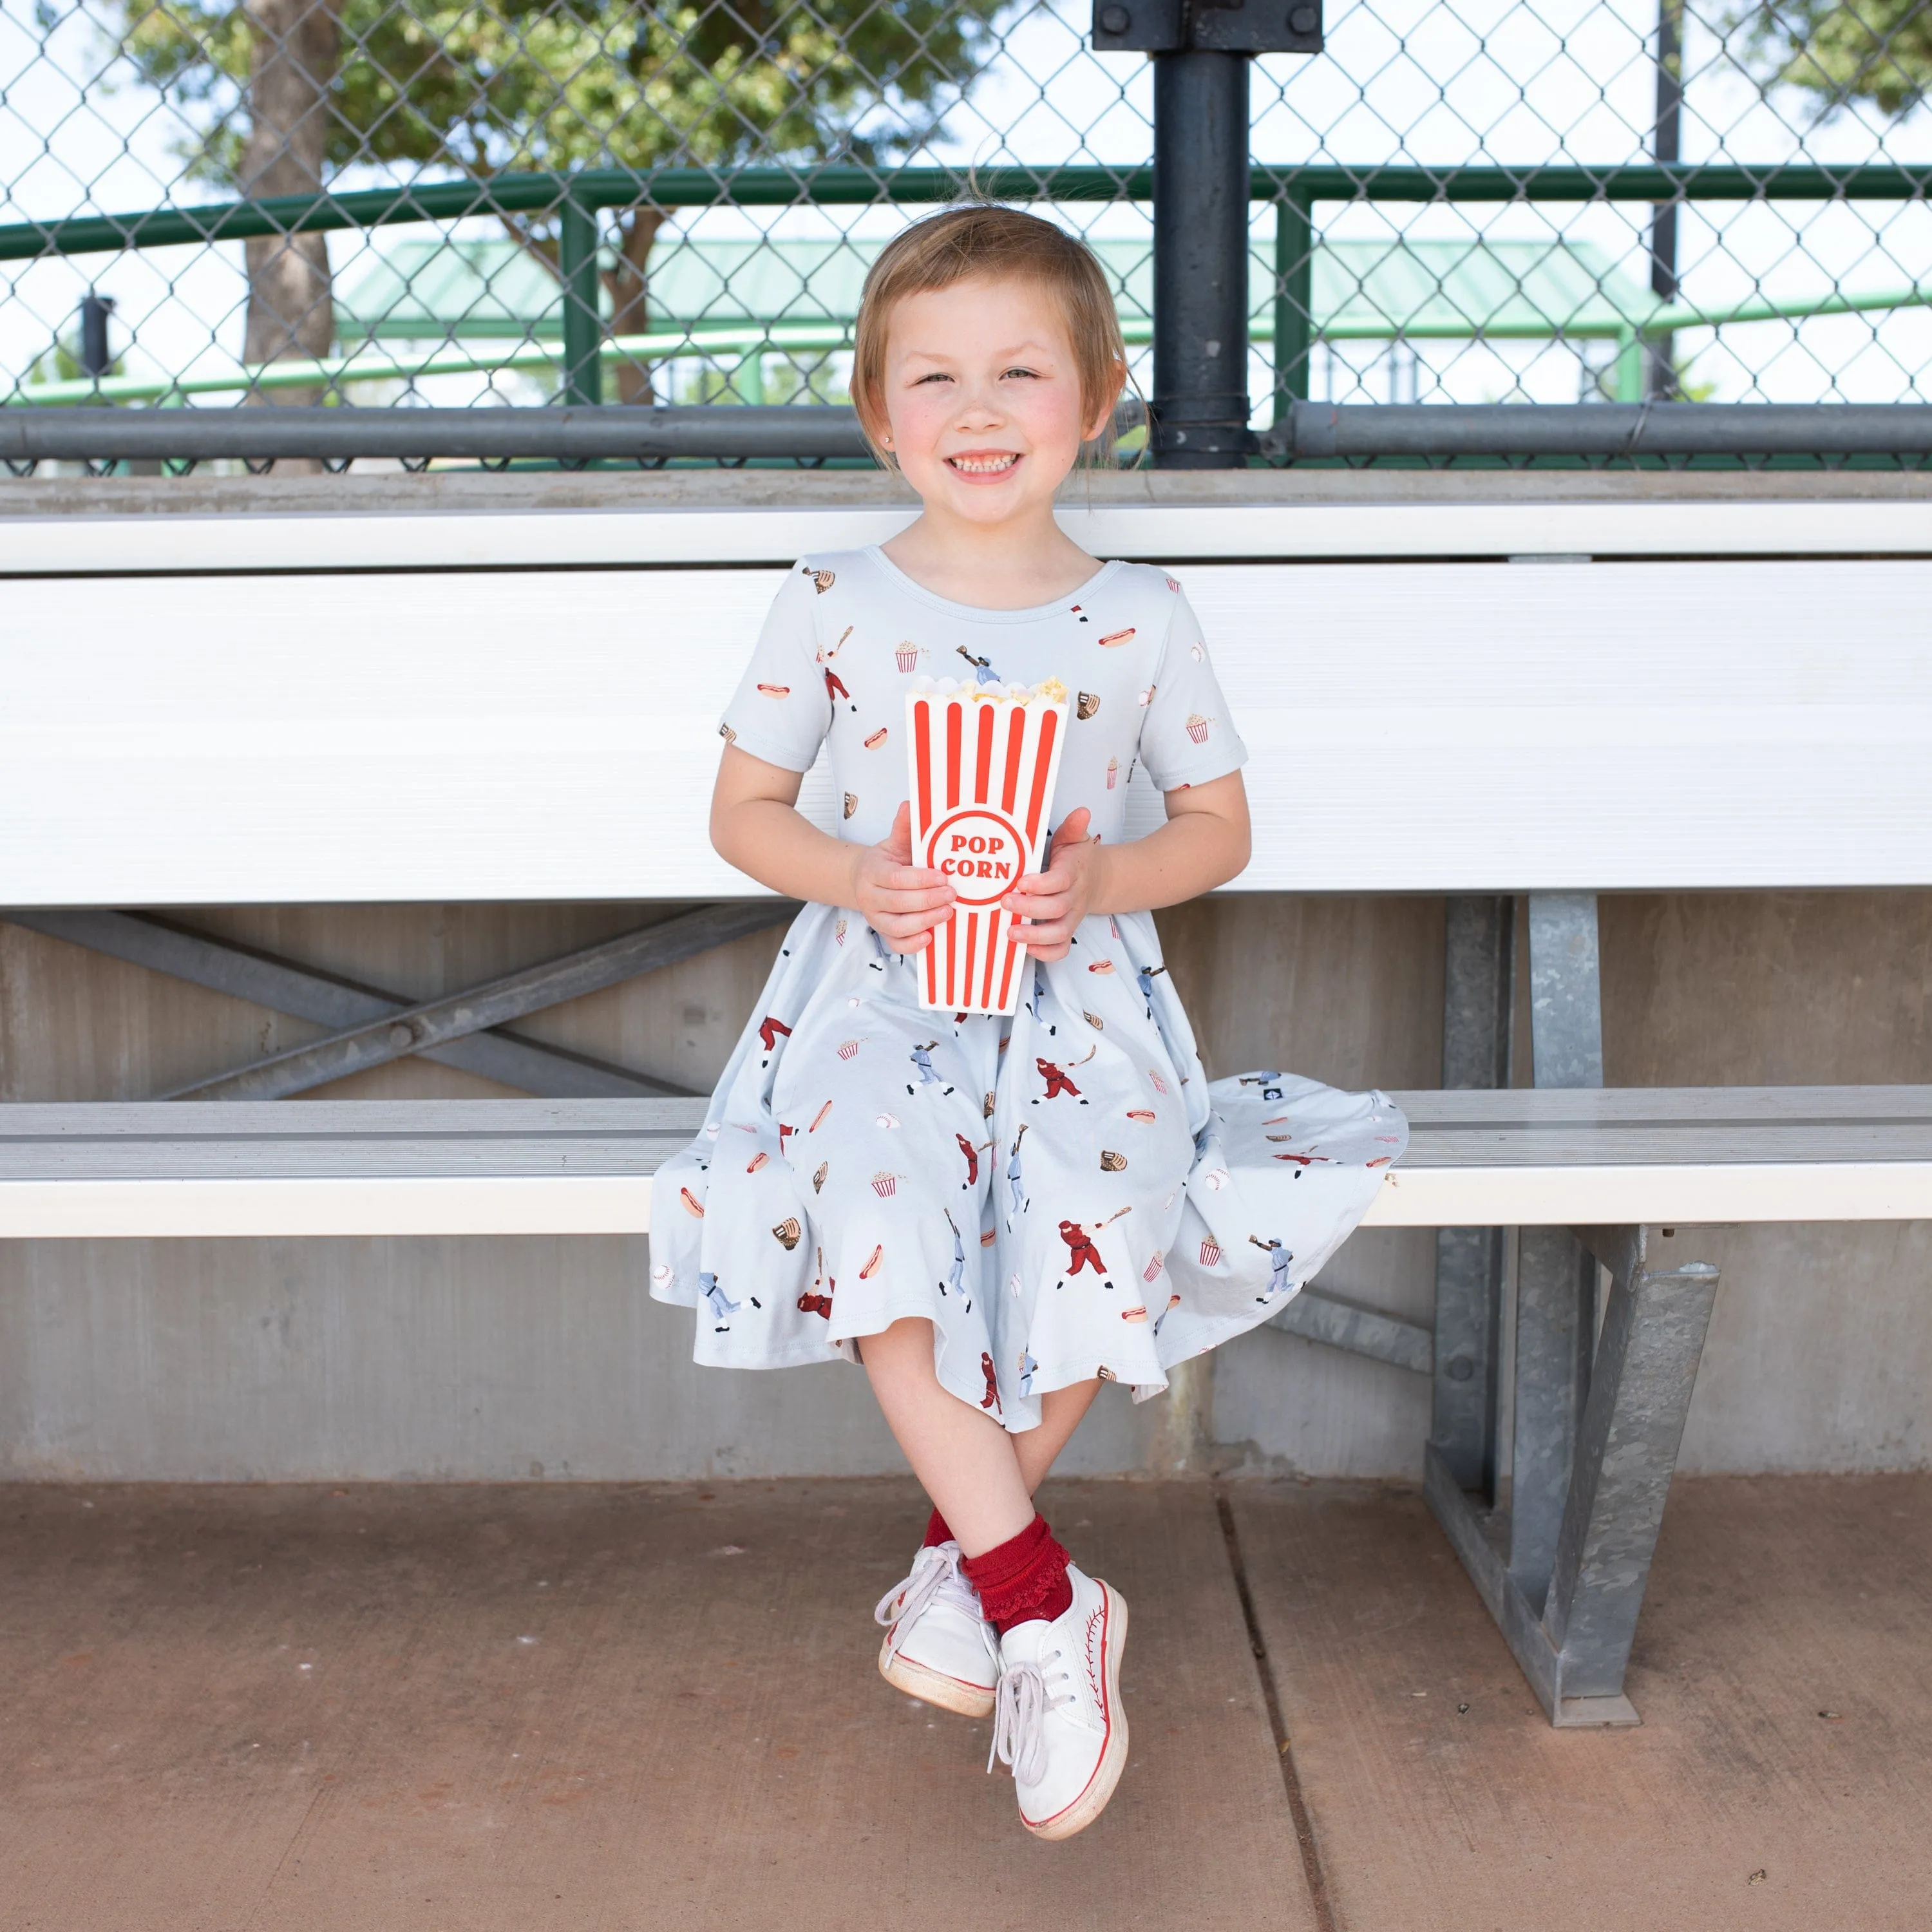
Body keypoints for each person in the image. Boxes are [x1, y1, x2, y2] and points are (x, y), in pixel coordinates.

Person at [650, 205, 1405, 1841]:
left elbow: (1219, 825)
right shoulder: (834, 596)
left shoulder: (1139, 614)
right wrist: (857, 870)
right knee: (875, 1197)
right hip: (876, 983)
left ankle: (964, 1570)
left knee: (1095, 1213)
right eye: (933, 378)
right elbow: (742, 811)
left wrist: (1113, 868)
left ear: (1099, 396)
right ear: (877, 413)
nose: (977, 409)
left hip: (1081, 989)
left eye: (1018, 372)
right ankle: (1039, 1597)